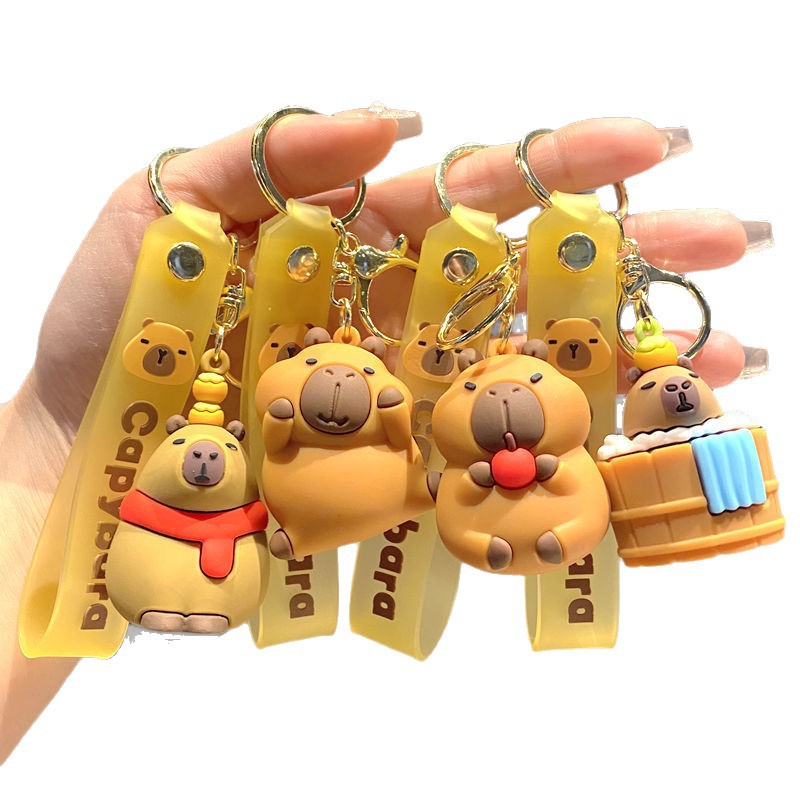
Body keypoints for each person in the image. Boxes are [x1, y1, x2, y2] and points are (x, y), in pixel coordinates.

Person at [0, 110, 765, 762]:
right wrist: (63, 427)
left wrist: (55, 439)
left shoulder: (487, 438)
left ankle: (510, 534)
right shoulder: (302, 425)